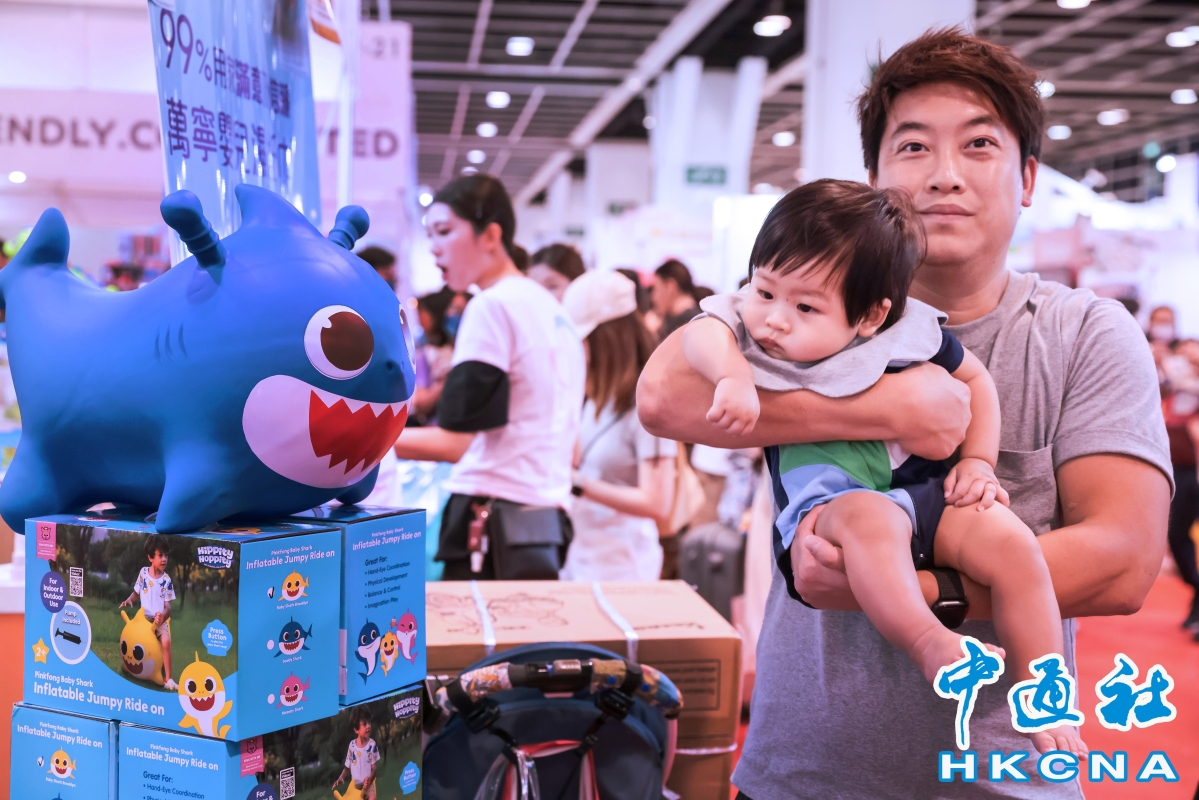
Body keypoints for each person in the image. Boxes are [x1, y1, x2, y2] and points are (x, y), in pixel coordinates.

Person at [637, 28, 1170, 799]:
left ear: (1026, 177)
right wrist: (891, 406)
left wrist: (902, 588)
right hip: (799, 772)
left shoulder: (1081, 331)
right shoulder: (795, 310)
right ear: (875, 182)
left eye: (979, 145)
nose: (944, 175)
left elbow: (1122, 563)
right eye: (913, 147)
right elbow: (662, 397)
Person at [683, 179, 1081, 754]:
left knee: (1016, 546)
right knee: (874, 520)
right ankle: (929, 643)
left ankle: (1043, 691)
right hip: (829, 506)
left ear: (870, 316)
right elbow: (701, 334)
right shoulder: (745, 328)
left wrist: (979, 461)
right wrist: (731, 376)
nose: (775, 319)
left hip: (925, 491)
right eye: (765, 290)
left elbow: (975, 380)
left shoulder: (907, 330)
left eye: (805, 306)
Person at [393, 174, 585, 579]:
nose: (434, 247)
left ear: (491, 235)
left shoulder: (492, 306)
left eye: (445, 231)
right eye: (430, 235)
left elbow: (453, 443)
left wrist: (362, 443)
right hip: (545, 522)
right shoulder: (554, 312)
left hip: (492, 521)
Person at [559, 270, 677, 581]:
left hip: (624, 569)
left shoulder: (648, 405)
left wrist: (577, 483)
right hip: (581, 557)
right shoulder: (597, 397)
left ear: (606, 339)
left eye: (584, 341)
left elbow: (657, 502)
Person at [119, 535, 177, 690]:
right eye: (160, 555)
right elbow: (136, 592)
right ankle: (129, 664)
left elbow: (168, 606)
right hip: (142, 619)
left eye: (166, 555)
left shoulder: (166, 580)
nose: (164, 559)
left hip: (158, 620)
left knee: (165, 642)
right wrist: (129, 600)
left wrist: (163, 616)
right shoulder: (143, 573)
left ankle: (168, 679)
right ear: (150, 557)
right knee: (131, 636)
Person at [332, 709, 379, 799]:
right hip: (355, 787)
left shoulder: (372, 745)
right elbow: (347, 767)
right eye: (364, 724)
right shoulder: (352, 746)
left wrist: (369, 780)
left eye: (369, 722)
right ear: (356, 730)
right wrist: (341, 777)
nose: (368, 726)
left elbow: (374, 768)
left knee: (372, 798)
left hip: (368, 785)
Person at [650, 259, 701, 341]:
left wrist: (650, 334)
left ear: (670, 287)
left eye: (656, 289)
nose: (653, 297)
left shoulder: (684, 324)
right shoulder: (697, 318)